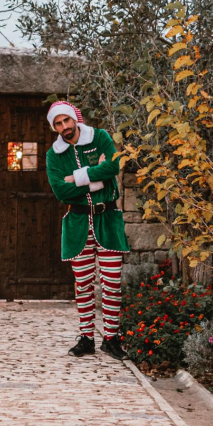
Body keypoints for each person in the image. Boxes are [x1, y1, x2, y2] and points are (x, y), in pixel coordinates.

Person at [44, 101, 130, 360]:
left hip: (108, 221)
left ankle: (111, 339)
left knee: (112, 283)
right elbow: (61, 191)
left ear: (74, 119)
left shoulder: (100, 137)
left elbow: (113, 167)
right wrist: (94, 179)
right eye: (58, 124)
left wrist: (76, 177)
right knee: (82, 284)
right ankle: (87, 338)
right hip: (78, 223)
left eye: (66, 121)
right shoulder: (54, 155)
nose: (64, 127)